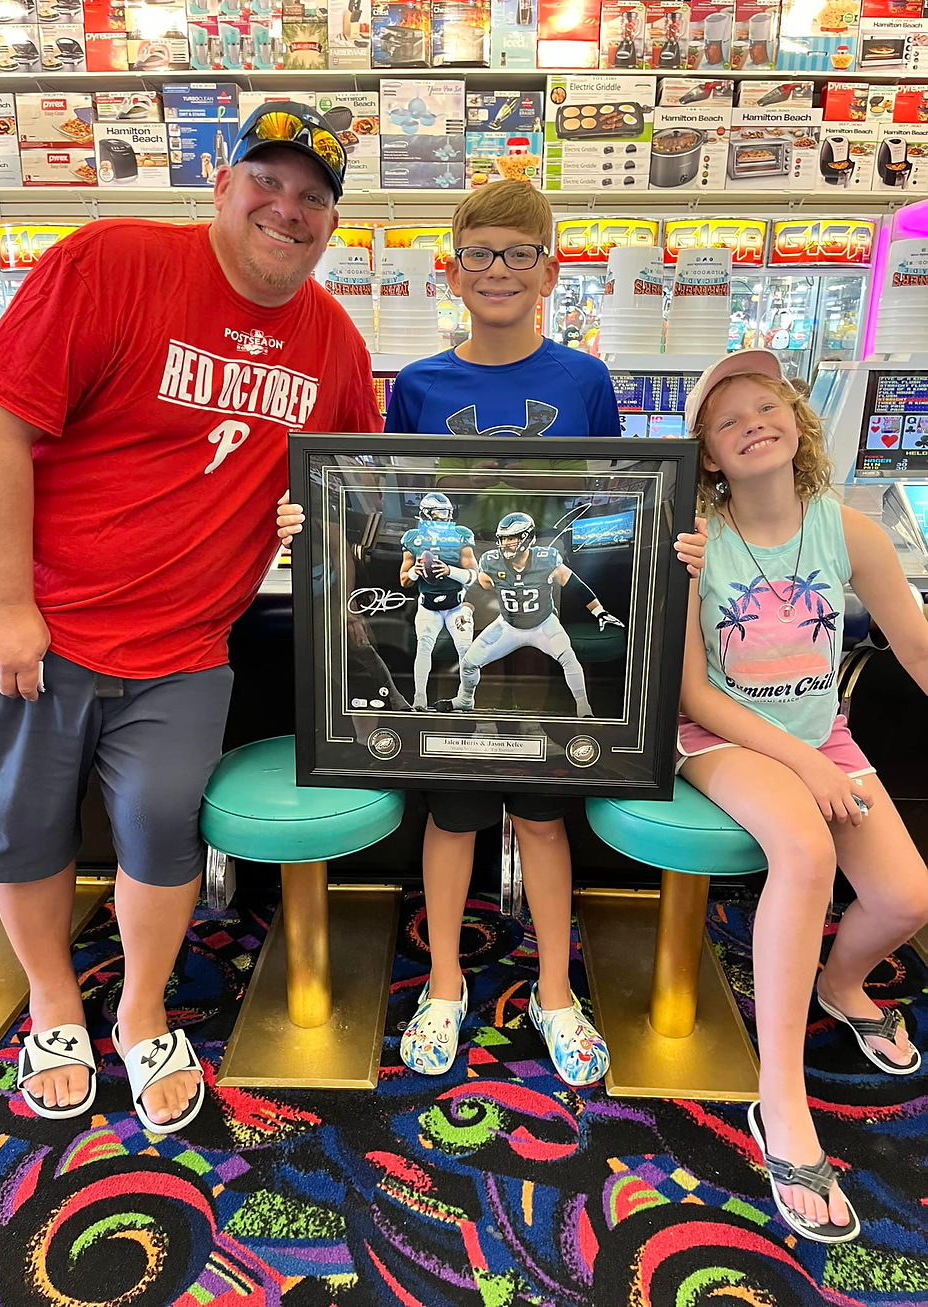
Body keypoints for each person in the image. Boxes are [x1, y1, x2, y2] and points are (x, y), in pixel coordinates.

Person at [0, 101, 382, 1132]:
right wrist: (8, 604)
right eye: (266, 183)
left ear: (331, 223)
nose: (288, 209)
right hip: (29, 621)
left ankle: (141, 1008)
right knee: (20, 827)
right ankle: (56, 1002)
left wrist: (325, 520)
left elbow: (362, 486)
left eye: (313, 197)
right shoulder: (110, 260)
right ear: (220, 187)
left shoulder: (331, 341)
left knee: (156, 821)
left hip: (184, 643)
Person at [278, 180, 707, 1089]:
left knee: (543, 818)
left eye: (519, 254)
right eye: (480, 253)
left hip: (538, 625)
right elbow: (383, 515)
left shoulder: (585, 379)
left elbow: (613, 504)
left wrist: (673, 539)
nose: (499, 270)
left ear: (550, 269)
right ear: (454, 268)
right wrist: (315, 533)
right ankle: (442, 982)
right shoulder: (424, 384)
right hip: (470, 614)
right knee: (451, 812)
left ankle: (554, 989)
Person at [679, 349, 928, 1243]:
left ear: (796, 420)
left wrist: (821, 759)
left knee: (905, 894)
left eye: (766, 404)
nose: (752, 420)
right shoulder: (697, 538)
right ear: (708, 451)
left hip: (824, 735)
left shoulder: (848, 527)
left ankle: (840, 980)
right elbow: (692, 695)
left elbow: (916, 645)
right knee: (808, 848)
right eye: (727, 416)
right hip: (719, 739)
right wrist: (806, 766)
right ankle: (779, 1096)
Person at [445, 509, 624, 718]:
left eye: (511, 538)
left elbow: (573, 583)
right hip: (507, 625)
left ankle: (584, 708)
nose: (505, 543)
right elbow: (478, 587)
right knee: (468, 663)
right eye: (502, 538)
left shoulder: (545, 559)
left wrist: (599, 612)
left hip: (543, 624)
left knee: (568, 657)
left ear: (526, 538)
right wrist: (466, 611)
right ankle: (465, 701)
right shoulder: (492, 561)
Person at [399, 492, 479, 711]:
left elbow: (475, 575)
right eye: (439, 513)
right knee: (423, 648)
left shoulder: (460, 535)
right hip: (428, 606)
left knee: (466, 652)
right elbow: (404, 581)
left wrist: (449, 570)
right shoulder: (413, 537)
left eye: (447, 513)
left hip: (456, 605)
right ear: (426, 513)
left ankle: (466, 698)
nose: (444, 518)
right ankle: (420, 699)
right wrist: (416, 572)